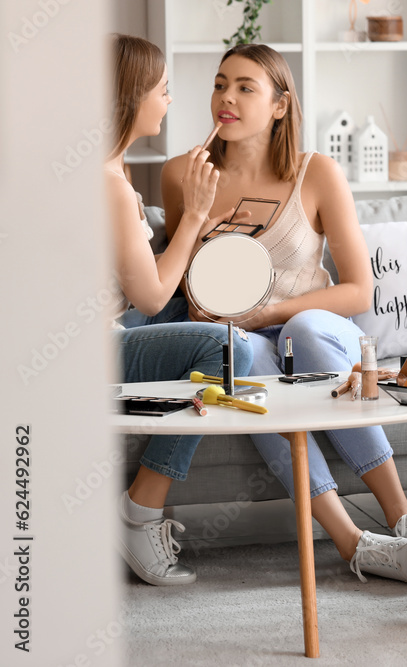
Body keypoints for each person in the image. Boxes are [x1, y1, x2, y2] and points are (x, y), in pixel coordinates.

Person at [161, 44, 407, 585]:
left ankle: (403, 514)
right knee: (237, 354)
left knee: (301, 330)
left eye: (245, 87)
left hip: (315, 327)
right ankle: (356, 542)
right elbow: (180, 283)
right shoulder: (183, 173)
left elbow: (358, 291)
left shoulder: (315, 172)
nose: (225, 98)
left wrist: (274, 310)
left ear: (280, 104)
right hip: (234, 334)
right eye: (219, 83)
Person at [107, 34, 254, 586]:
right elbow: (147, 297)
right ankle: (140, 511)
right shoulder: (109, 186)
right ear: (129, 97)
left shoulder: (108, 169)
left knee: (207, 322)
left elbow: (141, 282)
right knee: (225, 346)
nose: (170, 100)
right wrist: (193, 215)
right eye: (163, 90)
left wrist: (199, 232)